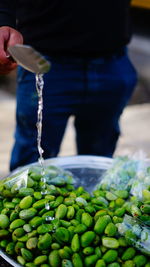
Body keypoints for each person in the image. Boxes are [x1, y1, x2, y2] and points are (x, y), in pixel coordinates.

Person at [0, 1, 137, 171]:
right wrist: (4, 20)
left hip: (112, 61)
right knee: (32, 162)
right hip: (43, 61)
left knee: (100, 158)